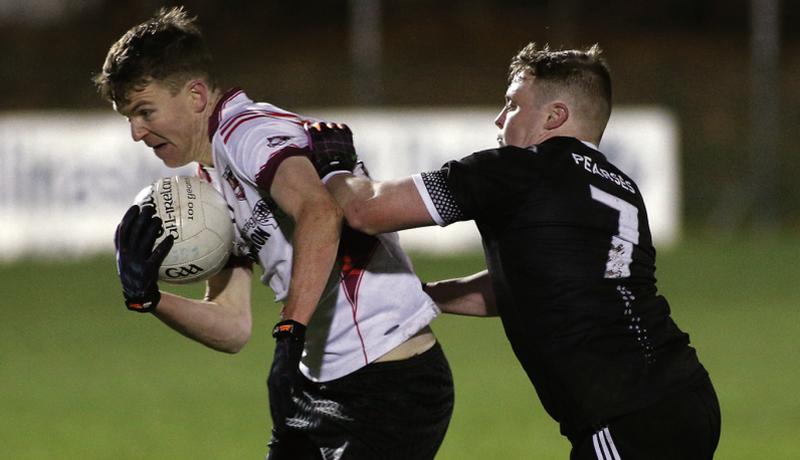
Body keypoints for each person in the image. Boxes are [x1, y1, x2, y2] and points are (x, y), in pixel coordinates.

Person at [308, 43, 721, 459]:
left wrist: (334, 165)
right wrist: (422, 297)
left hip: (629, 417)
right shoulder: (622, 189)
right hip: (687, 396)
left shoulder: (516, 170)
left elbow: (366, 209)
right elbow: (532, 284)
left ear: (554, 116)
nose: (499, 119)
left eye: (511, 104)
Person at [94, 7, 453, 459]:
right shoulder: (209, 183)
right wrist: (150, 299)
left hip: (391, 384)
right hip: (313, 383)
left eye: (144, 112)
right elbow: (232, 325)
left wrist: (289, 331)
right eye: (128, 117)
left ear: (196, 95)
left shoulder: (246, 132)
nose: (136, 132)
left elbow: (320, 212)